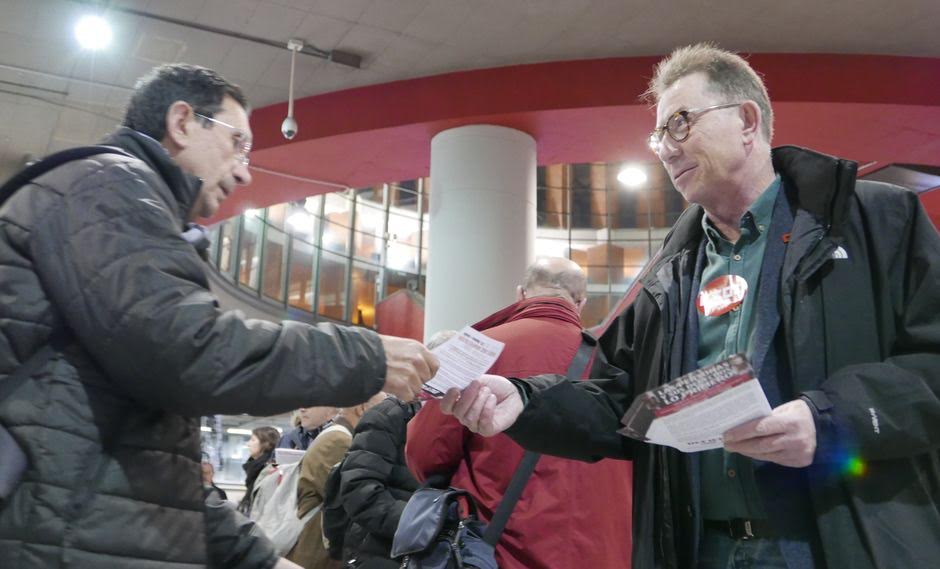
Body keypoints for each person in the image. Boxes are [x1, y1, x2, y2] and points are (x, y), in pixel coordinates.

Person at [442, 43, 940, 569]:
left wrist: (831, 420)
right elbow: (623, 405)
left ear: (747, 120)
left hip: (840, 544)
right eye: (658, 134)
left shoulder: (875, 220)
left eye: (679, 124)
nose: (664, 148)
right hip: (704, 549)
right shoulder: (669, 273)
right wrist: (523, 401)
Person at [0, 63, 437, 568]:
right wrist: (365, 353)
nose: (245, 170)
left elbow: (154, 458)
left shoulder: (117, 200)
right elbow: (186, 351)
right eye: (238, 144)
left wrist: (262, 559)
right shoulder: (108, 187)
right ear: (183, 121)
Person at [407, 258, 632, 569]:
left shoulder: (477, 349)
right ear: (580, 302)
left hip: (497, 549)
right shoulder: (614, 363)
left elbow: (425, 453)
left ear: (521, 294)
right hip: (601, 550)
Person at [286, 393, 387, 569]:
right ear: (362, 408)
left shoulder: (337, 436)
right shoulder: (339, 440)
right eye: (383, 410)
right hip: (317, 549)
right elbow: (347, 498)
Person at [340, 396, 423, 569]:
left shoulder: (466, 423)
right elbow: (360, 492)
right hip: (381, 553)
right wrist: (422, 525)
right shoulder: (390, 415)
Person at [238, 426, 281, 514]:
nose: (248, 444)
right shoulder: (254, 467)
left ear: (266, 444)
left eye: (253, 440)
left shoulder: (269, 470)